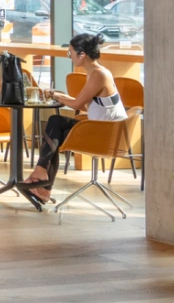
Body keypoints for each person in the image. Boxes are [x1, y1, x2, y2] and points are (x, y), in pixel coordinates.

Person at [24, 33, 127, 203]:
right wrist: (59, 95)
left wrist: (57, 97)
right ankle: (42, 184)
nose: (69, 56)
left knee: (55, 127)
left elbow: (76, 105)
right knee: (55, 133)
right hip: (101, 129)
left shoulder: (99, 75)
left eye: (70, 52)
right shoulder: (96, 72)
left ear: (82, 54)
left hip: (107, 135)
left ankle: (42, 178)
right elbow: (85, 105)